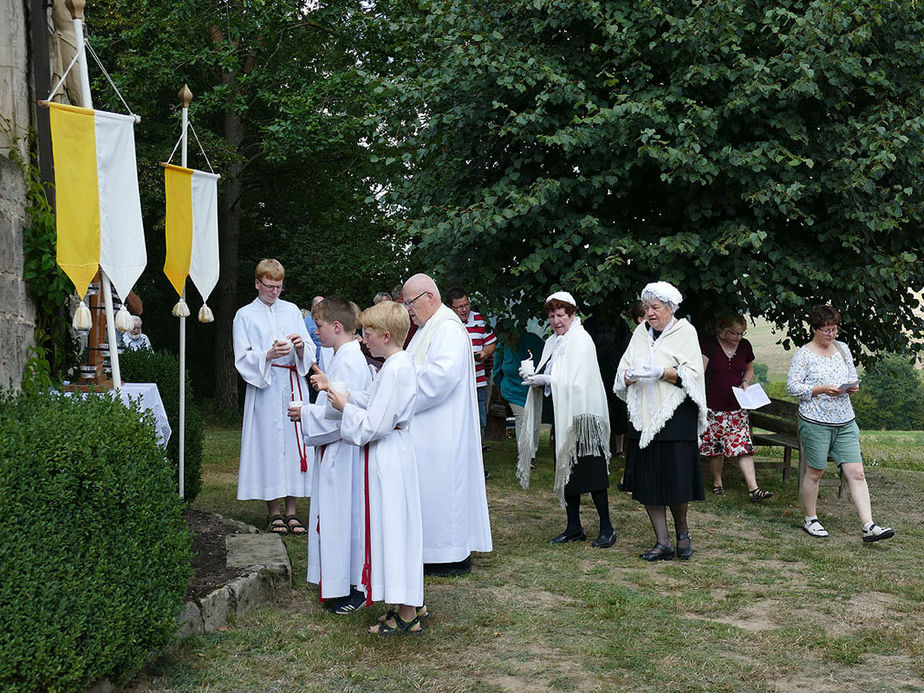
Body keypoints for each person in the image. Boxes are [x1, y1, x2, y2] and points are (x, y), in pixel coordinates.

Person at [314, 301, 426, 635]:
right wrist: (337, 390)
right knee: (393, 528)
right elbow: (374, 400)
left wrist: (344, 406)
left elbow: (373, 424)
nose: (364, 340)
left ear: (386, 336)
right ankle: (405, 603)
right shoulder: (395, 365)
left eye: (368, 334)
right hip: (391, 453)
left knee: (394, 529)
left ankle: (407, 613)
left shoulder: (396, 368)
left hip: (389, 456)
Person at [402, 273, 493, 576]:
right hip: (428, 428)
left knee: (444, 492)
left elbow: (440, 378)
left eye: (410, 302)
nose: (408, 309)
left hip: (443, 429)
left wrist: (401, 390)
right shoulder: (428, 328)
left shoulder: (449, 329)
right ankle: (432, 551)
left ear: (429, 296)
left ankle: (449, 555)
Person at [614, 281, 707, 561]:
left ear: (670, 308)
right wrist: (629, 376)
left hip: (676, 417)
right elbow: (623, 368)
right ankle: (662, 541)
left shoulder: (685, 331)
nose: (650, 313)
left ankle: (682, 533)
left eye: (655, 307)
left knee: (676, 482)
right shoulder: (640, 333)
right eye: (647, 308)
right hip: (643, 417)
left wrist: (662, 372)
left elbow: (692, 373)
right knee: (648, 482)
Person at [786, 305, 895, 542]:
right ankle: (810, 519)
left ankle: (869, 525)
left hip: (845, 420)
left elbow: (849, 376)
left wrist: (852, 386)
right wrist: (821, 389)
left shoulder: (843, 349)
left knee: (856, 472)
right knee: (815, 472)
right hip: (815, 421)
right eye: (826, 330)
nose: (831, 334)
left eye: (834, 329)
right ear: (814, 329)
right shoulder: (804, 354)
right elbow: (793, 387)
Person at [516, 291, 615, 548]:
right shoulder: (553, 342)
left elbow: (580, 381)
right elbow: (551, 372)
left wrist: (548, 381)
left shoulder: (581, 340)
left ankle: (607, 527)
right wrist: (535, 377)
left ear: (572, 314)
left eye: (561, 315)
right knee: (566, 469)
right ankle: (574, 526)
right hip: (563, 414)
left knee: (593, 473)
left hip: (584, 418)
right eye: (551, 316)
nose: (556, 321)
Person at [296, 296, 374, 614]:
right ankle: (340, 583)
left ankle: (352, 586)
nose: (317, 333)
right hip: (339, 449)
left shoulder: (348, 359)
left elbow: (340, 413)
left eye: (320, 326)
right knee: (338, 517)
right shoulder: (342, 356)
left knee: (346, 518)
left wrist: (302, 412)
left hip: (346, 453)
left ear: (337, 326)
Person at [233, 259, 312, 536]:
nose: (274, 292)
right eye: (269, 286)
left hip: (292, 383)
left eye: (278, 287)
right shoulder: (244, 315)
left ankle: (292, 510)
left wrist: (301, 348)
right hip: (265, 385)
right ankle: (274, 510)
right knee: (269, 443)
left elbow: (309, 348)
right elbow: (241, 357)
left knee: (293, 443)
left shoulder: (291, 311)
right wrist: (267, 355)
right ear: (257, 283)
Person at [700, 314, 774, 501]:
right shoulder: (709, 345)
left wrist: (745, 381)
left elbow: (749, 369)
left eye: (742, 333)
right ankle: (717, 483)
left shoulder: (745, 346)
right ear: (723, 331)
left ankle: (753, 489)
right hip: (713, 406)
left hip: (738, 406)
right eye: (734, 334)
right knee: (716, 447)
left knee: (743, 446)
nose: (739, 337)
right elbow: (699, 373)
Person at [446, 287, 497, 438]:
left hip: (478, 382)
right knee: (457, 421)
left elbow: (491, 343)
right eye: (459, 306)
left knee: (479, 419)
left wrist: (484, 353)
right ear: (450, 307)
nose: (464, 309)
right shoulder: (446, 323)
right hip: (454, 384)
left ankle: (479, 452)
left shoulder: (479, 319)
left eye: (466, 305)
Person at [493, 328, 544, 467]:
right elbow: (496, 372)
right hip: (512, 390)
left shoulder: (532, 341)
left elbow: (546, 358)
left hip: (534, 388)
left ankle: (532, 451)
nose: (509, 340)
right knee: (522, 419)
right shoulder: (502, 347)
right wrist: (499, 392)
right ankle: (526, 456)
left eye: (510, 336)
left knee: (535, 420)